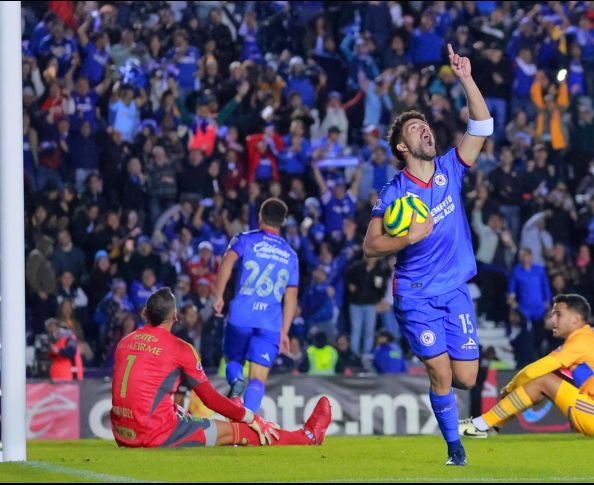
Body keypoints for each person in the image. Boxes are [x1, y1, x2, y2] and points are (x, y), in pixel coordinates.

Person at [363, 44, 493, 466]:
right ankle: (454, 448)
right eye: (415, 128)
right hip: (416, 294)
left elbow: (483, 125)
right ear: (401, 147)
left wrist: (466, 79)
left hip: (454, 289)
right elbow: (370, 246)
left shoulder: (450, 169)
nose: (425, 131)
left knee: (467, 377)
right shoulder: (393, 193)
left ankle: (455, 428)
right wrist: (407, 238)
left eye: (425, 125)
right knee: (440, 372)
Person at [111, 288, 331, 448]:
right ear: (175, 316)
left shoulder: (125, 341)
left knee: (180, 412)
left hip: (122, 433)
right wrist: (250, 417)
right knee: (238, 431)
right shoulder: (179, 348)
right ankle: (307, 437)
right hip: (153, 436)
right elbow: (211, 400)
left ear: (145, 314)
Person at [459, 294, 594, 438]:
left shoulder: (580, 343)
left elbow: (535, 371)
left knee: (543, 380)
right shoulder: (588, 338)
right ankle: (492, 425)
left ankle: (480, 425)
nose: (553, 319)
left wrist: (511, 387)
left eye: (558, 314)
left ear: (575, 320)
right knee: (549, 380)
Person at [213, 198, 299, 415]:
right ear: (283, 222)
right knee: (258, 379)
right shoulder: (290, 255)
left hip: (242, 315)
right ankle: (247, 423)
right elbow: (291, 296)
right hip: (270, 323)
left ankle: (236, 379)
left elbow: (227, 261)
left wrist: (219, 295)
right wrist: (285, 331)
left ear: (260, 216)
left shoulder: (244, 239)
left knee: (233, 360)